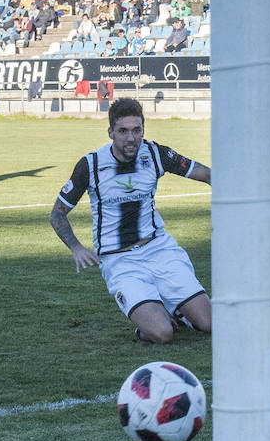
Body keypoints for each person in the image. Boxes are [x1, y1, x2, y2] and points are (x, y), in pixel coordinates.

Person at [49, 98, 212, 344]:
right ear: (111, 132)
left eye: (137, 130)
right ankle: (153, 319)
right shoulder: (91, 165)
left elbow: (205, 173)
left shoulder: (156, 154)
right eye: (123, 131)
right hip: (120, 260)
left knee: (209, 323)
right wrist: (77, 248)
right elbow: (57, 213)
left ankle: (178, 309)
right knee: (162, 334)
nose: (131, 138)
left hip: (160, 250)